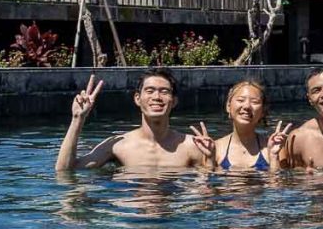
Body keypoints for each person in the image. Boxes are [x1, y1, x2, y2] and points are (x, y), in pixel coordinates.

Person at [54, 68, 216, 171]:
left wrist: (209, 161)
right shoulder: (118, 144)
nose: (156, 97)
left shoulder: (191, 146)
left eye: (164, 91)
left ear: (174, 101)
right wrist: (77, 119)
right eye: (150, 91)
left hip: (174, 216)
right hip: (128, 217)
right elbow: (65, 170)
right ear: (137, 99)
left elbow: (209, 194)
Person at [215, 80, 291, 172]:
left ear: (263, 111)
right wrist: (209, 161)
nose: (247, 106)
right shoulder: (215, 149)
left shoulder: (275, 148)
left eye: (255, 102)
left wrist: (274, 157)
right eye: (240, 100)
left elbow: (279, 185)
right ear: (228, 106)